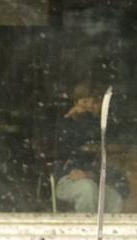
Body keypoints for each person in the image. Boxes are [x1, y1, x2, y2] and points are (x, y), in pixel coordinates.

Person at [54, 82, 127, 214]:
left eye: (94, 102)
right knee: (88, 189)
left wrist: (90, 174)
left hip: (94, 179)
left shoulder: (103, 125)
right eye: (85, 102)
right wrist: (79, 118)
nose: (89, 106)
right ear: (76, 103)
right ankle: (86, 231)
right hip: (67, 180)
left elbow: (106, 153)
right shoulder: (66, 124)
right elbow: (68, 150)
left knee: (115, 198)